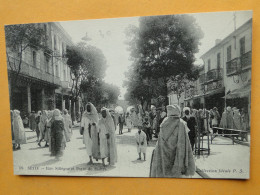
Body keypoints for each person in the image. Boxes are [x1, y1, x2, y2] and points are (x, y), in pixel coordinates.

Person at [150, 104, 195, 178]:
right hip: (177, 154)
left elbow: (160, 141)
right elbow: (183, 143)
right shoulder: (181, 123)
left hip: (164, 154)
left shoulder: (164, 123)